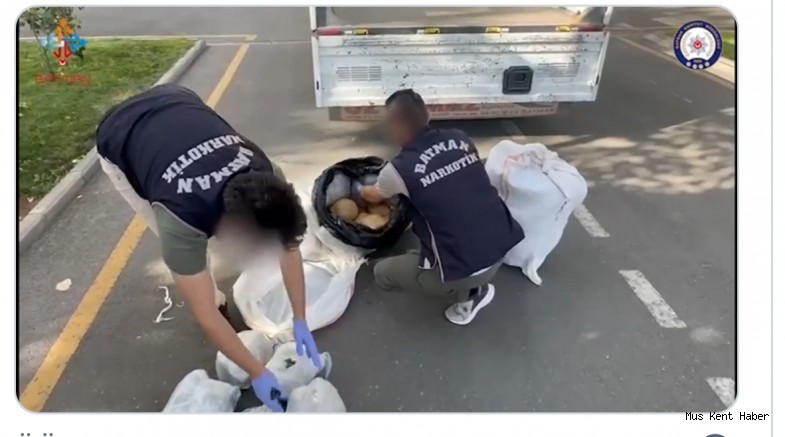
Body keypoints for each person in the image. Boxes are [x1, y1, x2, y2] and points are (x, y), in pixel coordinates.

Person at [95, 83, 319, 412]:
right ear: (235, 231)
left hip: (176, 98)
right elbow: (205, 315)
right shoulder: (179, 220)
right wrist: (258, 372)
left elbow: (289, 246)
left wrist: (300, 317)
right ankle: (212, 289)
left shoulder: (268, 176)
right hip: (120, 133)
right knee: (193, 271)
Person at [356, 89, 525, 325]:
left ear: (396, 127)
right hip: (501, 245)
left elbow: (372, 196)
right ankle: (466, 279)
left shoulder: (398, 170)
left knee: (382, 273)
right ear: (427, 113)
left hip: (469, 268)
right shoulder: (460, 138)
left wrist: (357, 190)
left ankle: (470, 295)